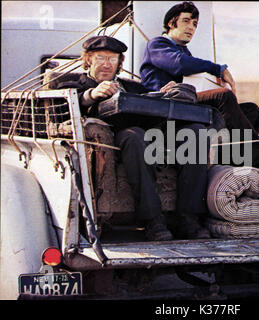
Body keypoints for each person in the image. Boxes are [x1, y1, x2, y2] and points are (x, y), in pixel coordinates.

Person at [56, 35, 211, 241]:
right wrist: (91, 94)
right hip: (117, 141)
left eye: (112, 59)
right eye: (100, 58)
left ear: (120, 63)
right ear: (89, 60)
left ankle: (188, 218)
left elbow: (152, 100)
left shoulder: (132, 86)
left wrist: (164, 93)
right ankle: (152, 220)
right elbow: (59, 103)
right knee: (135, 136)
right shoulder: (72, 83)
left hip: (153, 135)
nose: (106, 64)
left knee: (196, 133)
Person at [140, 1, 259, 171]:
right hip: (166, 104)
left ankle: (239, 161)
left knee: (251, 110)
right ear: (171, 23)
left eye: (195, 24)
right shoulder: (158, 44)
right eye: (186, 21)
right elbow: (179, 64)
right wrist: (218, 69)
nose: (191, 27)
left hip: (185, 102)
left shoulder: (183, 50)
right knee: (222, 96)